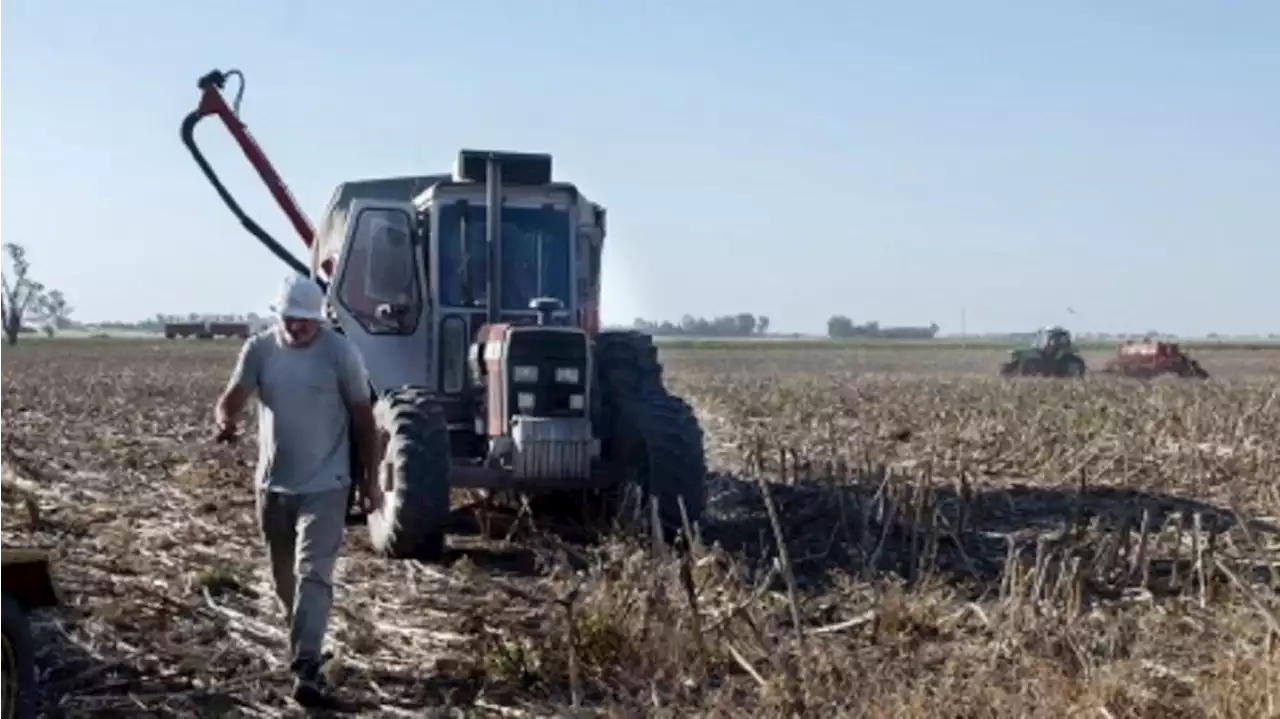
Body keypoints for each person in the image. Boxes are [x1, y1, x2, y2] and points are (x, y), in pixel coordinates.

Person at [213, 274, 383, 708]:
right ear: (280, 315)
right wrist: (225, 420)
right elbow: (231, 398)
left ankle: (307, 667)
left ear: (320, 318)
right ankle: (304, 642)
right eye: (290, 318)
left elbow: (365, 421)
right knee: (283, 579)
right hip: (273, 485)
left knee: (313, 573)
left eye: (305, 319)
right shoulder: (260, 349)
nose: (297, 326)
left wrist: (371, 480)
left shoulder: (340, 354)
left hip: (327, 485)